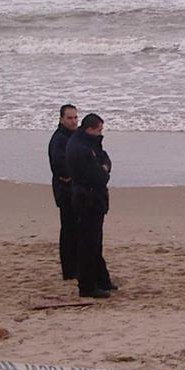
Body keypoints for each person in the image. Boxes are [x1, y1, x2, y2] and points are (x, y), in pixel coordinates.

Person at [65, 113, 116, 299]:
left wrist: (104, 166)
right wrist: (103, 169)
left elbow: (105, 158)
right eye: (99, 130)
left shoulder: (87, 143)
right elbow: (99, 176)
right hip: (87, 199)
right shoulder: (81, 149)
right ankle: (87, 286)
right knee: (88, 243)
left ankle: (101, 279)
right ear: (90, 129)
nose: (101, 133)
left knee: (95, 242)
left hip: (92, 198)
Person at [48, 104, 80, 280]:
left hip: (75, 189)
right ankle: (69, 270)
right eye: (70, 118)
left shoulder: (75, 135)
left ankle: (75, 266)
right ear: (61, 119)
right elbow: (59, 166)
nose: (74, 121)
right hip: (65, 191)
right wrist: (72, 176)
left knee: (76, 229)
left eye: (75, 117)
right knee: (69, 230)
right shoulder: (59, 139)